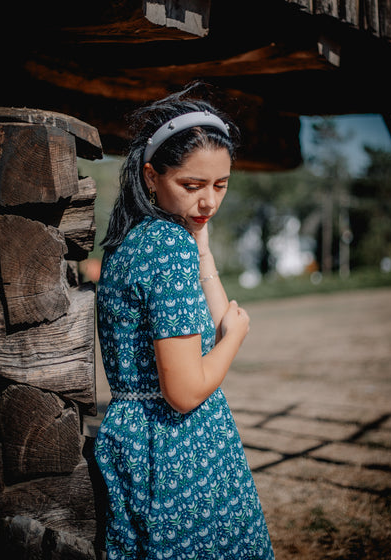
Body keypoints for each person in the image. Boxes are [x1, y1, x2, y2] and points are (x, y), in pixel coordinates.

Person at [94, 83, 275, 560]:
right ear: (152, 177)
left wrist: (204, 246)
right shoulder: (165, 246)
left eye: (221, 185)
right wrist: (235, 338)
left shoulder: (137, 239)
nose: (209, 202)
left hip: (140, 439)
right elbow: (186, 390)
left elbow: (213, 322)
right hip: (178, 447)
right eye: (192, 186)